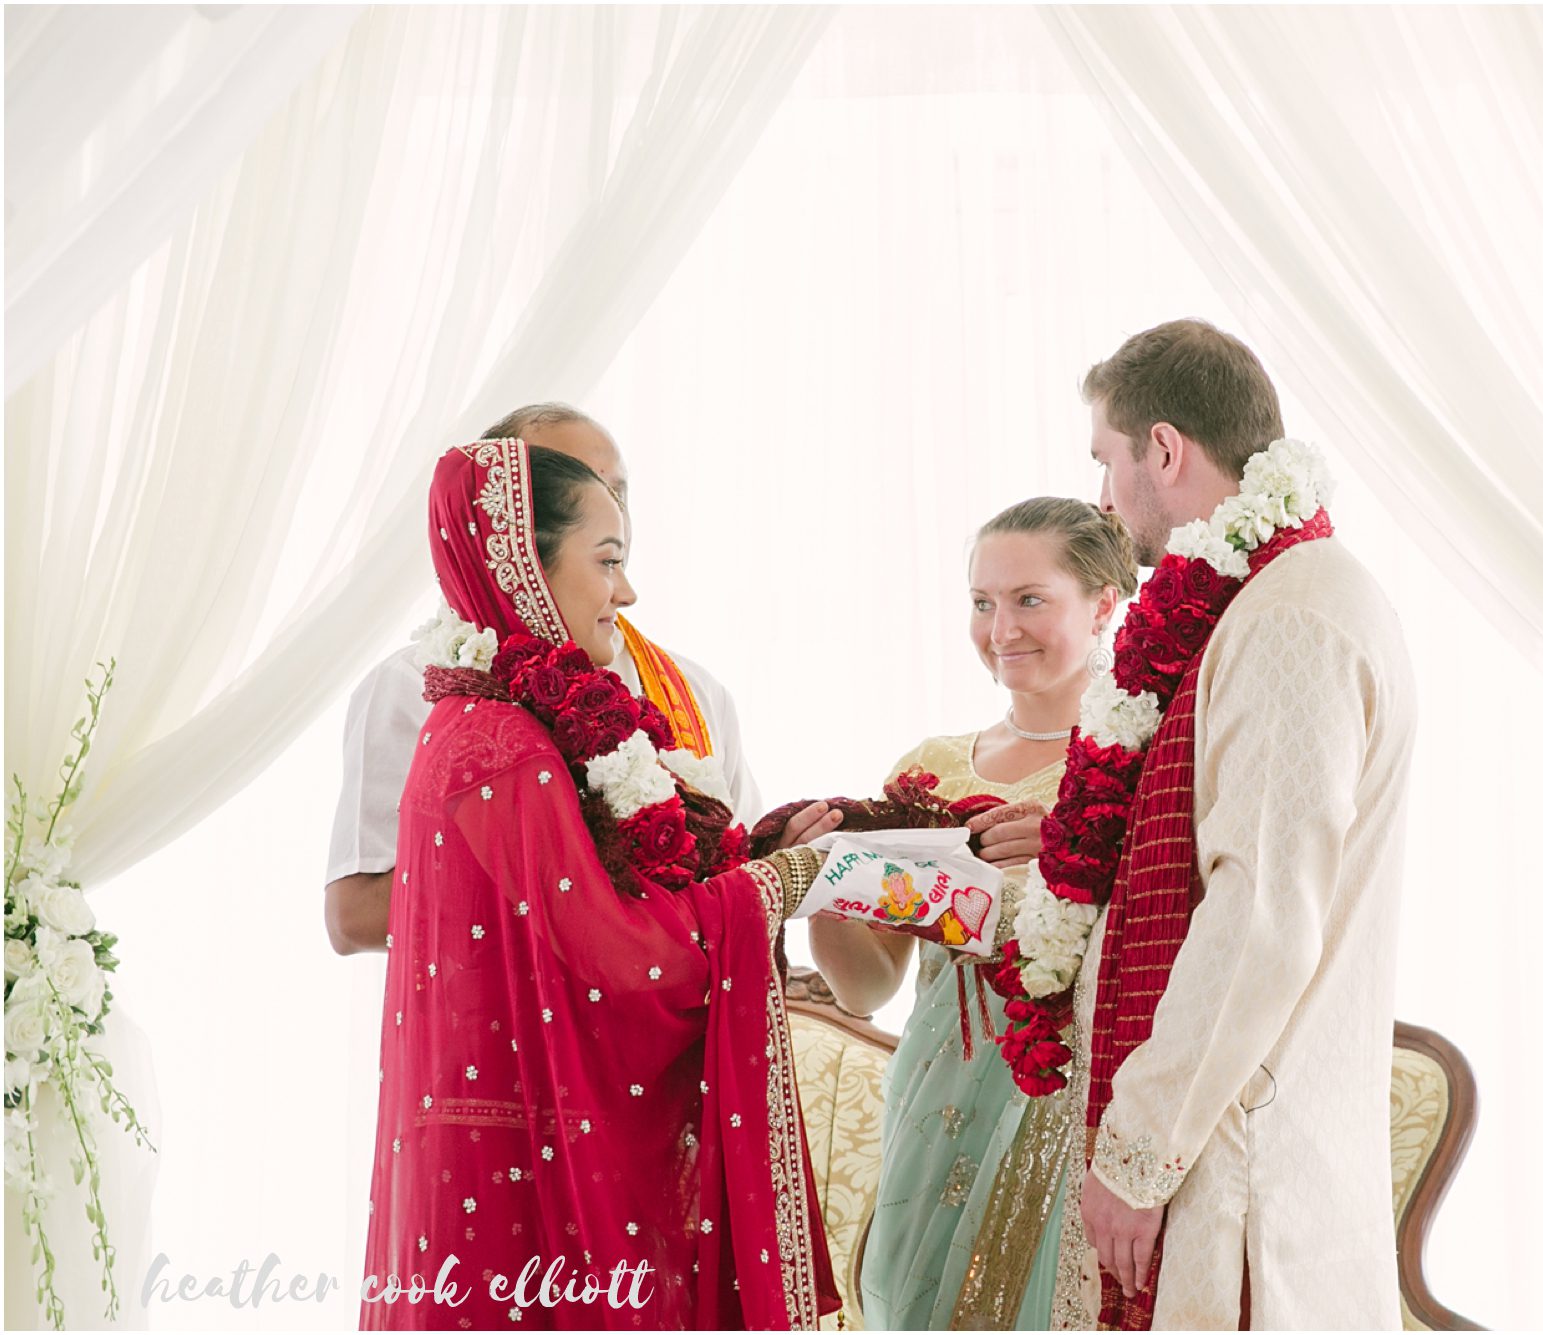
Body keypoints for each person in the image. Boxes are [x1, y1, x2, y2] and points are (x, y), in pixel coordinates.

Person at [361, 439, 838, 1329]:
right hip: (522, 1192)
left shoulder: (488, 721)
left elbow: (609, 899)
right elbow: (620, 960)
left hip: (500, 1160)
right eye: (608, 561)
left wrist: (750, 854)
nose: (626, 592)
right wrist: (772, 887)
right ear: (523, 568)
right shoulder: (501, 744)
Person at [1029, 320, 1416, 1329]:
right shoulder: (1261, 599)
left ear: (1163, 450)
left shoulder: (1289, 615)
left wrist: (1133, 1155)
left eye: (1105, 465)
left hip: (1243, 1177)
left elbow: (1259, 916)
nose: (1102, 500)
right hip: (1233, 1152)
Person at [323, 403, 841, 954]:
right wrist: (591, 888)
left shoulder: (694, 691)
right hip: (511, 1025)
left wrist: (774, 863)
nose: (600, 505)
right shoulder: (420, 684)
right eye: (565, 486)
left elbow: (722, 883)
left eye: (616, 492)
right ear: (510, 526)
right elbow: (354, 918)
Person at [810, 499, 1138, 1330]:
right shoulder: (930, 768)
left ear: (1103, 603)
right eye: (982, 601)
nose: (1000, 628)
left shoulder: (1145, 762)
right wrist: (825, 880)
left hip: (1074, 1107)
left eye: (1030, 599)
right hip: (934, 1099)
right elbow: (866, 985)